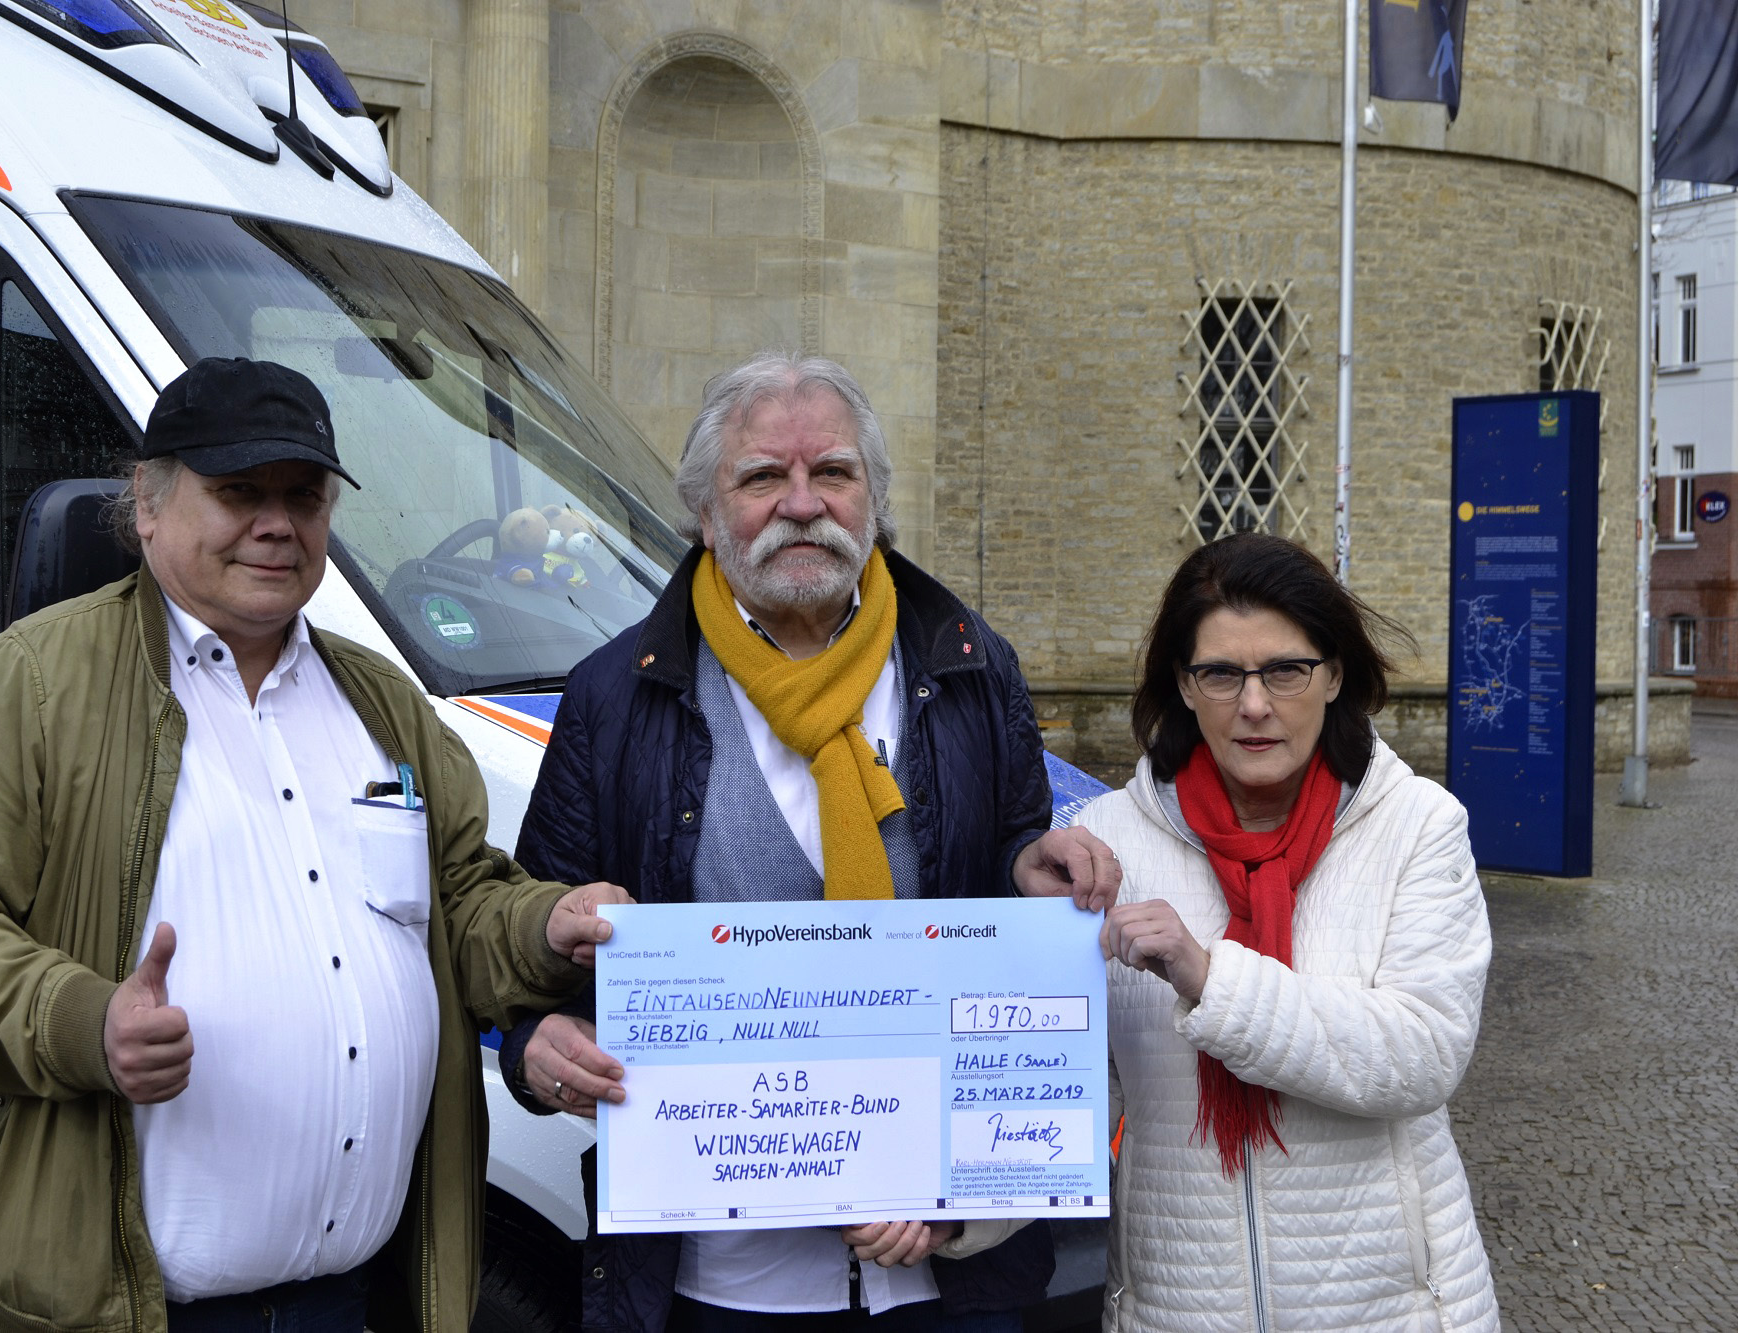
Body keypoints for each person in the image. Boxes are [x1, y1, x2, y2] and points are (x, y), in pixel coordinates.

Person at [0, 357, 625, 1333]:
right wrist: (84, 1021)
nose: (276, 522)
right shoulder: (30, 685)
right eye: (237, 492)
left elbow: (453, 904)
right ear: (147, 500)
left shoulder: (381, 706)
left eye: (302, 496)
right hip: (125, 1310)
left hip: (345, 1303)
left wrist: (541, 924)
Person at [495, 350, 1122, 1333]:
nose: (801, 503)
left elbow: (1005, 891)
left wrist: (1025, 870)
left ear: (871, 497)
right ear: (705, 513)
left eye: (831, 471)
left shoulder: (968, 666)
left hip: (941, 1271)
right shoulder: (612, 697)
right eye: (761, 478)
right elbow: (529, 949)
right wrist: (535, 1050)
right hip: (711, 1273)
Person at [1077, 532, 1499, 1332]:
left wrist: (1212, 977)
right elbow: (1063, 1083)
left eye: (1286, 669)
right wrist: (953, 1212)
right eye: (1221, 673)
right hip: (1177, 1310)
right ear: (1183, 683)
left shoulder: (1416, 827)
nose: (1256, 703)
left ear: (1335, 674)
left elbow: (1423, 1052)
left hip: (1393, 1311)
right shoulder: (1106, 845)